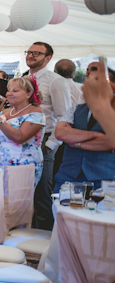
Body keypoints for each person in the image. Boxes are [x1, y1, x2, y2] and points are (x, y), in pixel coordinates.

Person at [23, 42, 72, 229]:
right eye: (29, 52)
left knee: (42, 191)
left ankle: (42, 239)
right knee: (24, 190)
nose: (31, 56)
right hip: (21, 138)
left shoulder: (55, 81)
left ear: (48, 58)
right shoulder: (25, 78)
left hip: (44, 139)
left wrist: (51, 144)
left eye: (36, 53)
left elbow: (66, 115)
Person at [54, 63, 115, 192]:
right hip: (68, 176)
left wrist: (76, 142)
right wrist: (96, 136)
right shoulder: (75, 108)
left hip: (104, 178)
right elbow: (60, 133)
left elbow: (110, 143)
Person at [0, 76, 45, 185]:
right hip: (1, 164)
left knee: (17, 200)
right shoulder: (6, 112)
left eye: (15, 91)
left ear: (28, 94)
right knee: (0, 200)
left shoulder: (36, 112)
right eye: (8, 90)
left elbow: (20, 138)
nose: (9, 93)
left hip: (23, 165)